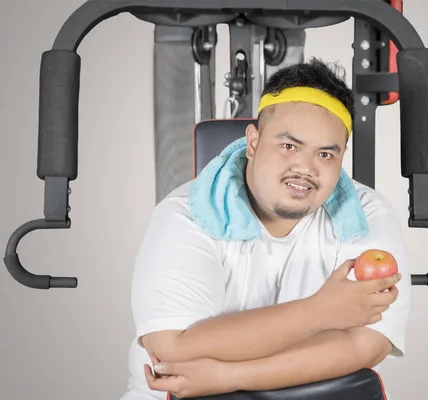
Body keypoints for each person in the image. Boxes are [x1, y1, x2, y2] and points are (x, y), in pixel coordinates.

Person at [120, 58, 411, 400]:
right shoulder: (184, 215)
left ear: (342, 155)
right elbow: (172, 351)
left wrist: (229, 375)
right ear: (253, 142)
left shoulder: (366, 213)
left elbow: (368, 344)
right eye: (288, 146)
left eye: (325, 155)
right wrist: (320, 312)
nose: (304, 168)